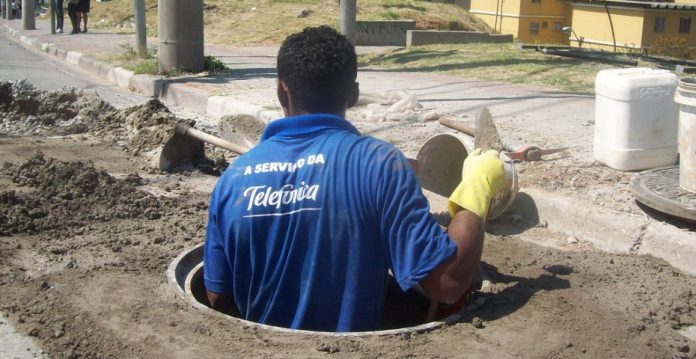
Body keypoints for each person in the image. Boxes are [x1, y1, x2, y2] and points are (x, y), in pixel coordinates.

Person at [203, 26, 506, 332]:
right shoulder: (380, 165)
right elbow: (447, 283)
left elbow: (217, 296)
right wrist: (476, 190)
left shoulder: (232, 179)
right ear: (354, 95)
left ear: (281, 90)